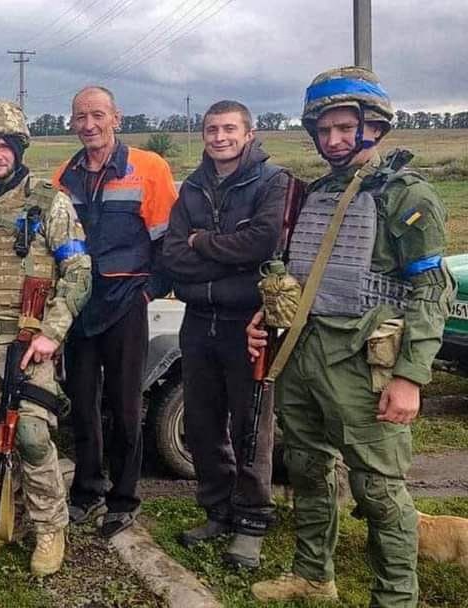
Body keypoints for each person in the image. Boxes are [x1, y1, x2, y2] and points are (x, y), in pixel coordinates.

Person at [248, 67, 454, 606]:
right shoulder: (315, 194)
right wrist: (267, 313)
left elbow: (431, 290)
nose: (334, 140)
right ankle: (314, 576)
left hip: (363, 364)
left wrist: (410, 377)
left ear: (375, 126)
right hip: (303, 354)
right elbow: (299, 272)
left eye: (346, 128)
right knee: (308, 471)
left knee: (380, 490)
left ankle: (395, 597)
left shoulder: (407, 195)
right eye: (324, 130)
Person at [0, 100, 91, 577]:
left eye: (2, 146)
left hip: (28, 340)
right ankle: (6, 517)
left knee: (30, 435)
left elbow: (78, 271)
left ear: (17, 149)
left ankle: (51, 527)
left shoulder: (50, 202)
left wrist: (51, 333)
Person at [160, 100, 290, 568]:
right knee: (202, 421)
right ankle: (217, 510)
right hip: (197, 320)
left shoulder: (271, 181)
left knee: (251, 425)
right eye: (212, 129)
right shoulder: (192, 187)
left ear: (249, 133)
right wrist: (219, 254)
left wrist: (201, 242)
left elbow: (263, 242)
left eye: (229, 128)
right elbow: (172, 255)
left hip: (248, 323)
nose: (220, 137)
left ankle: (252, 521)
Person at [51, 86, 177, 536]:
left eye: (97, 115)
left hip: (127, 305)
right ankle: (87, 490)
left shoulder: (149, 168)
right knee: (82, 405)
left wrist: (149, 293)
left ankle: (124, 499)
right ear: (72, 123)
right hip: (80, 308)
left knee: (125, 407)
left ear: (116, 118)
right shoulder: (63, 177)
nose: (89, 124)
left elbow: (168, 241)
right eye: (80, 116)